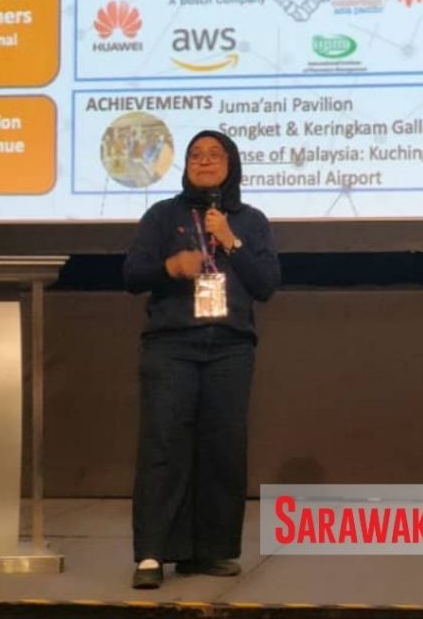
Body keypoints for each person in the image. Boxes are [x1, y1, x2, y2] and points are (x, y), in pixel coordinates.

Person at [123, 129, 281, 589]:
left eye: (215, 154)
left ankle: (210, 551)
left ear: (231, 165)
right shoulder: (162, 215)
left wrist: (230, 241)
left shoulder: (250, 221)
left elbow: (266, 284)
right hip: (172, 345)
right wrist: (170, 268)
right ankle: (152, 553)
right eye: (196, 155)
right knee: (163, 446)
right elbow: (132, 275)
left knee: (222, 451)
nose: (205, 161)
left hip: (230, 347)